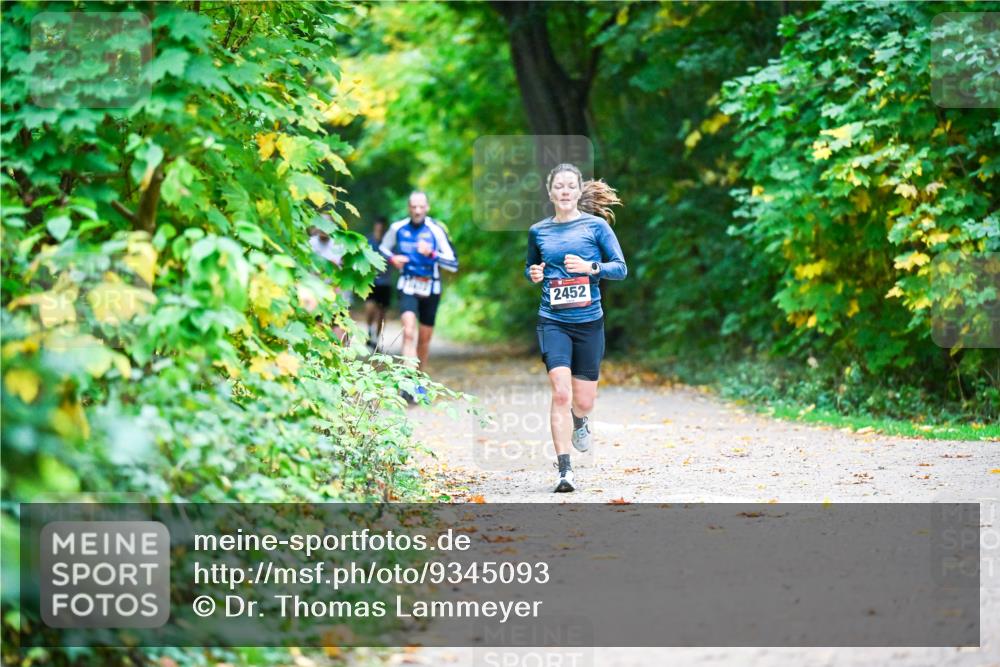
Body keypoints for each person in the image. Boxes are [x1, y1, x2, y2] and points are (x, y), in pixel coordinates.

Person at [525, 163, 626, 492]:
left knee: (582, 402)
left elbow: (620, 269)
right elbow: (531, 266)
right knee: (561, 393)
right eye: (560, 186)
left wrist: (589, 267)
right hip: (553, 321)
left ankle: (580, 421)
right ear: (550, 192)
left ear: (579, 191)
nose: (565, 191)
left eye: (571, 186)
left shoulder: (596, 227)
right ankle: (564, 471)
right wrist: (535, 274)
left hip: (589, 323)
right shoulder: (538, 231)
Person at [379, 191, 458, 387]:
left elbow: (453, 264)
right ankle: (408, 383)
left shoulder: (436, 230)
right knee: (408, 333)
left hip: (431, 287)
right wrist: (392, 259)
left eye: (421, 206)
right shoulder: (397, 228)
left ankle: (418, 382)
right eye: (413, 207)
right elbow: (382, 248)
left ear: (427, 208)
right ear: (408, 208)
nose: (417, 210)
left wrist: (431, 253)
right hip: (407, 284)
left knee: (424, 339)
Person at [364, 217, 392, 349]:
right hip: (370, 281)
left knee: (381, 313)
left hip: (385, 283)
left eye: (381, 228)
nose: (379, 230)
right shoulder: (368, 242)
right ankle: (369, 331)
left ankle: (376, 338)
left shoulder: (389, 243)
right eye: (377, 228)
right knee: (370, 308)